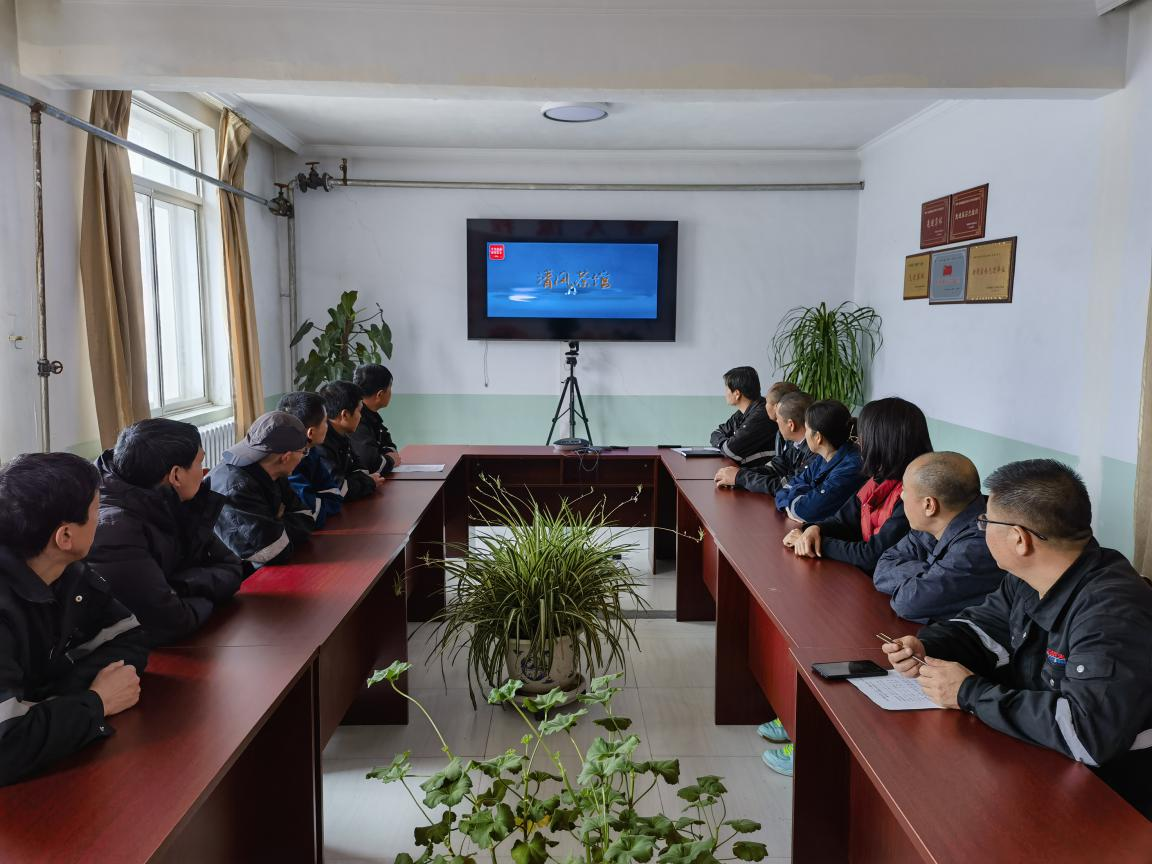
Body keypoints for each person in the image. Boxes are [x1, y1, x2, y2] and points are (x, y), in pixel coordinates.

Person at [883, 460, 1152, 820]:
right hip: (1043, 758)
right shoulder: (1029, 579)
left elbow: (1088, 733)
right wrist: (927, 646)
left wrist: (969, 693)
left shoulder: (1111, 612)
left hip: (1110, 799)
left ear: (1019, 539)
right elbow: (981, 626)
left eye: (986, 522)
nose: (980, 529)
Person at [0, 453, 149, 785]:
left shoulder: (67, 571)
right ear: (65, 536)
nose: (102, 517)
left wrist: (54, 702)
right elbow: (6, 748)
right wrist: (97, 702)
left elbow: (129, 637)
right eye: (97, 509)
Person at [87, 419, 245, 645]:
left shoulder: (179, 499)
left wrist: (181, 586)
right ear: (176, 475)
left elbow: (231, 567)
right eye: (200, 462)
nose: (205, 471)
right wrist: (205, 596)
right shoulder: (114, 529)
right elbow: (170, 622)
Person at [785, 397, 932, 572]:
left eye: (863, 437)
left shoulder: (913, 495)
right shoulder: (879, 478)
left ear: (883, 442)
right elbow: (843, 521)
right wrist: (814, 529)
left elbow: (873, 555)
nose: (859, 443)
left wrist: (819, 543)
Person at [872, 452, 1005, 622]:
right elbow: (883, 567)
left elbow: (908, 602)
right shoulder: (931, 523)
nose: (901, 496)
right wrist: (930, 574)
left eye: (904, 490)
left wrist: (926, 578)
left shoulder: (979, 544)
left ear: (929, 505)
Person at [205, 411, 315, 572]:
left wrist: (275, 525)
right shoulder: (237, 490)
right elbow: (275, 552)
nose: (303, 457)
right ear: (286, 457)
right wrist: (277, 522)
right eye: (303, 452)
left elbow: (306, 517)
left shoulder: (272, 470)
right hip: (233, 577)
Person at [774, 399, 862, 523]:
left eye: (806, 429)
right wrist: (803, 494)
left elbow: (805, 511)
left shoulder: (851, 468)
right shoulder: (822, 457)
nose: (805, 434)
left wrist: (794, 498)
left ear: (818, 437)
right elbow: (785, 489)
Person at [717, 391, 813, 494]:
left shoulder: (814, 452)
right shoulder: (795, 445)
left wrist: (740, 477)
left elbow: (786, 486)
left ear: (791, 425)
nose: (776, 423)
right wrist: (738, 474)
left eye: (778, 419)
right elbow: (776, 468)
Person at [279, 391, 345, 528]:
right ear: (311, 432)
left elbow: (334, 496)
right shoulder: (287, 462)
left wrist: (316, 503)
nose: (328, 426)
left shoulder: (310, 450)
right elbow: (310, 514)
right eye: (325, 422)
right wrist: (317, 504)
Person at [315, 381, 386, 501]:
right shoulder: (321, 442)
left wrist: (357, 480)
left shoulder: (341, 435)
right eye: (359, 411)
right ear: (345, 415)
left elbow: (361, 469)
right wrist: (369, 482)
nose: (361, 416)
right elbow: (340, 490)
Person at [709, 367, 777, 467]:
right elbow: (716, 433)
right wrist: (725, 443)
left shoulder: (761, 414)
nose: (725, 393)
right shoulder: (743, 412)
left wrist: (723, 443)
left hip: (758, 473)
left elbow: (730, 451)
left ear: (737, 394)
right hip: (745, 471)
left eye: (727, 389)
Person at [351, 363, 401, 475]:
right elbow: (372, 465)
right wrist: (391, 460)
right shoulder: (356, 420)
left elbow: (391, 447)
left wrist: (387, 456)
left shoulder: (372, 416)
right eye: (390, 388)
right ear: (380, 394)